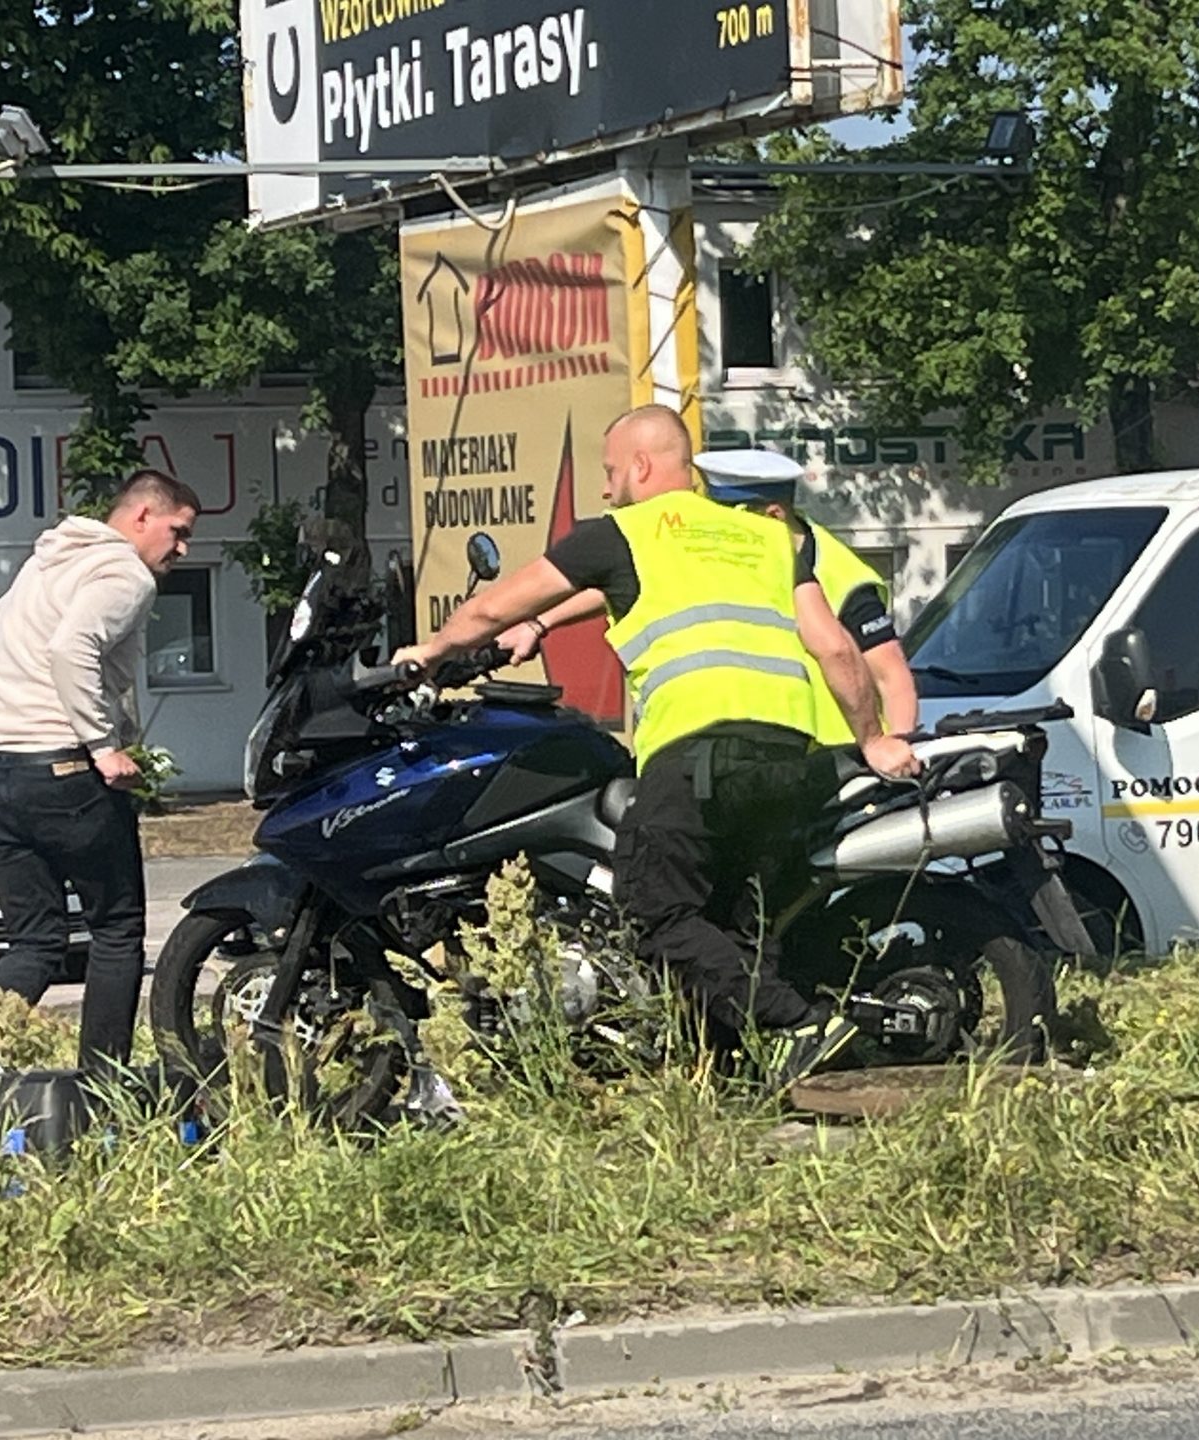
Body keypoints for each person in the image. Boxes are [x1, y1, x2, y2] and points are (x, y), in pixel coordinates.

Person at [393, 405, 919, 1085]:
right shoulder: (766, 540)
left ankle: (801, 1025)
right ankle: (741, 1075)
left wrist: (430, 652)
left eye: (612, 472)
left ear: (641, 467)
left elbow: (495, 607)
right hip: (790, 759)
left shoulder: (623, 532)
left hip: (700, 756)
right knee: (736, 925)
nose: (607, 489)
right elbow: (834, 647)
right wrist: (873, 738)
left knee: (654, 911)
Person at [0, 468, 199, 1081]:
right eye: (177, 531)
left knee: (36, 939)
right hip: (62, 770)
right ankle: (102, 1082)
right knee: (116, 931)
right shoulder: (124, 573)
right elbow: (72, 648)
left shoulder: (49, 560)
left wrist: (14, 706)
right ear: (142, 516)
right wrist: (102, 746)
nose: (181, 549)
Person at [694, 449, 920, 747]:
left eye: (732, 519)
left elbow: (891, 677)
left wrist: (895, 752)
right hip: (752, 760)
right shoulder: (727, 567)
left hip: (838, 767)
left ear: (773, 515)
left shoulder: (841, 575)